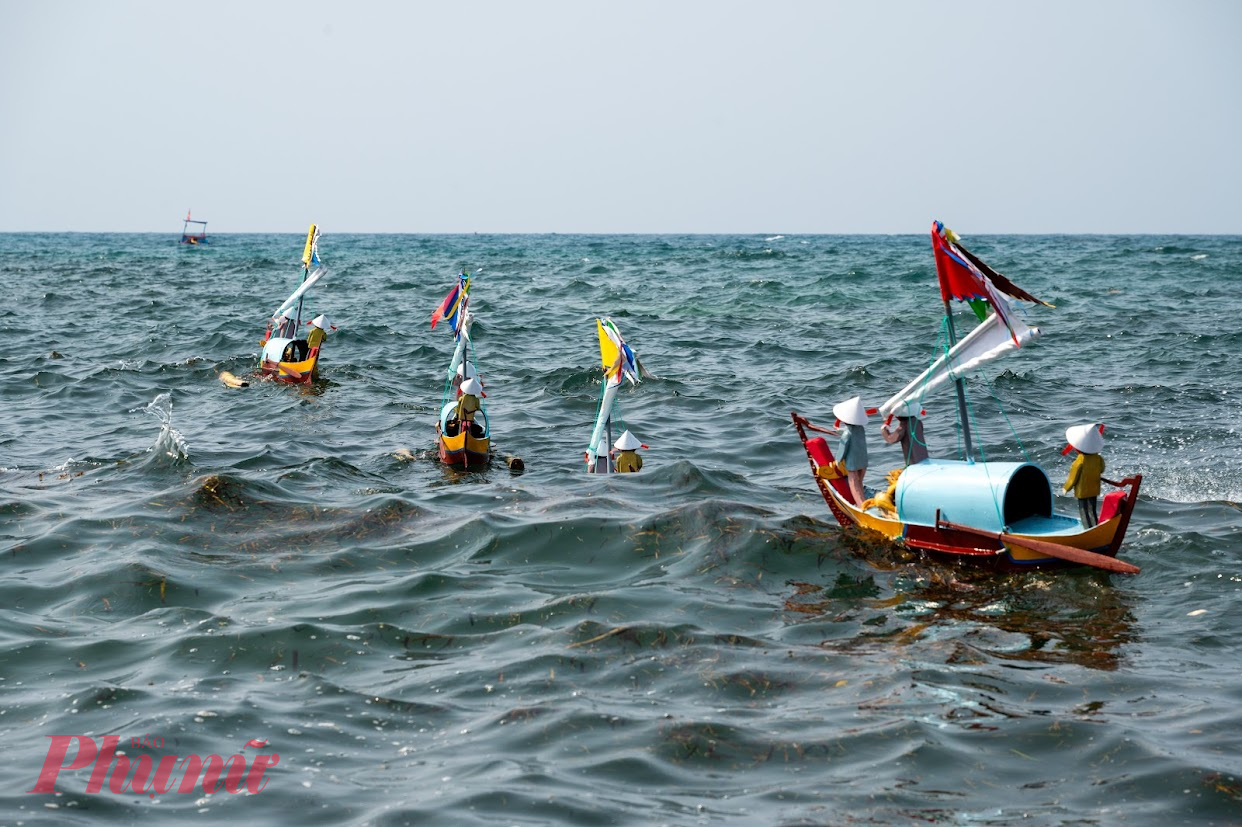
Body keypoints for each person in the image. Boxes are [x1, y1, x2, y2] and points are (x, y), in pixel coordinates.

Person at [827, 396, 869, 506]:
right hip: (863, 461)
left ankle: (861, 506)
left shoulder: (847, 434)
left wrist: (838, 461)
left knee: (854, 486)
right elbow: (850, 432)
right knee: (860, 482)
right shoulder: (860, 429)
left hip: (853, 464)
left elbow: (843, 447)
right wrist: (838, 430)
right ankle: (864, 501)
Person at [1063, 423, 1105, 528]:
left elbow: (1073, 478)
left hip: (1083, 491)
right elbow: (1102, 469)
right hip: (1094, 489)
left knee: (1084, 511)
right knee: (1092, 509)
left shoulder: (1079, 461)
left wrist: (1066, 488)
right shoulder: (1098, 458)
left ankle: (1088, 529)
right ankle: (1095, 526)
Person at [880, 402, 928, 466]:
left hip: (913, 461)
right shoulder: (919, 422)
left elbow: (891, 439)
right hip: (924, 457)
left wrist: (884, 430)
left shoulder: (902, 427)